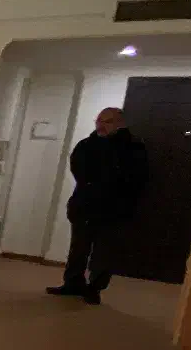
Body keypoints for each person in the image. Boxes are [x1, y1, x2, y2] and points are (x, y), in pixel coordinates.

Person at [47, 107, 148, 305]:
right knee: (78, 248)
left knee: (104, 252)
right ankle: (72, 283)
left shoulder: (133, 148)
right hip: (84, 206)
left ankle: (94, 288)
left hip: (114, 210)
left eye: (107, 121)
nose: (101, 125)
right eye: (99, 120)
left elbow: (136, 178)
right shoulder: (87, 144)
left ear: (120, 124)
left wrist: (109, 186)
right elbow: (78, 169)